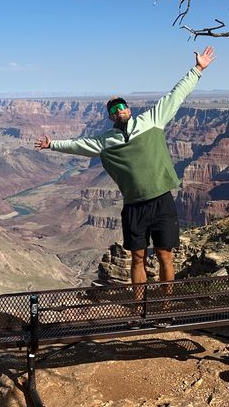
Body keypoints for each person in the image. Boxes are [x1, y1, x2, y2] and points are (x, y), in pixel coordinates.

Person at [34, 46, 215, 292]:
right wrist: (52, 144)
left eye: (122, 107)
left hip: (161, 201)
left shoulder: (152, 120)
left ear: (129, 110)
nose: (119, 111)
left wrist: (197, 69)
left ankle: (166, 304)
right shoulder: (104, 141)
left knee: (165, 256)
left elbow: (176, 95)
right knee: (137, 257)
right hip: (134, 206)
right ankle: (138, 307)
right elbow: (78, 145)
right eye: (114, 110)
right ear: (110, 117)